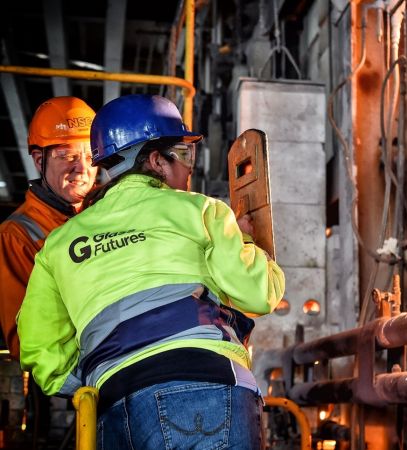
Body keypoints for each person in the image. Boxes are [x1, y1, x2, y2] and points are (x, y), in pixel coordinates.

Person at [17, 94, 285, 449]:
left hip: (111, 406)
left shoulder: (58, 245)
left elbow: (39, 347)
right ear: (157, 161)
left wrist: (100, 374)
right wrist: (248, 244)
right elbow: (258, 293)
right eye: (184, 154)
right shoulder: (201, 211)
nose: (189, 169)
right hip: (205, 387)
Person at [0, 96, 96, 360]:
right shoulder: (17, 235)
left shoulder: (112, 209)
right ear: (38, 160)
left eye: (91, 157)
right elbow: (25, 341)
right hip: (76, 384)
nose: (83, 170)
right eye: (67, 156)